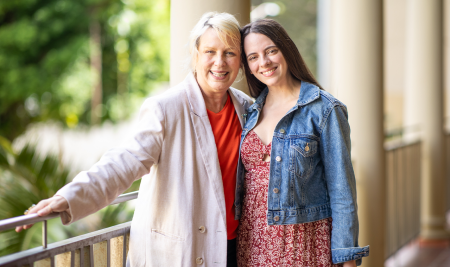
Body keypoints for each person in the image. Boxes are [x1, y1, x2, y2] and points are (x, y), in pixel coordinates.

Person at [16, 12, 252, 267]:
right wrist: (69, 198)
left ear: (240, 62)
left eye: (229, 53)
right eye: (210, 51)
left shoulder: (247, 108)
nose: (219, 62)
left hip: (231, 249)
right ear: (196, 55)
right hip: (182, 253)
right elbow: (123, 162)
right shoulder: (167, 108)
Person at [234, 19, 369, 267]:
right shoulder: (250, 111)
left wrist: (347, 257)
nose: (263, 62)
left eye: (271, 51)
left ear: (286, 50)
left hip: (303, 243)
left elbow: (342, 191)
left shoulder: (324, 109)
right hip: (251, 243)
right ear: (248, 67)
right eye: (253, 57)